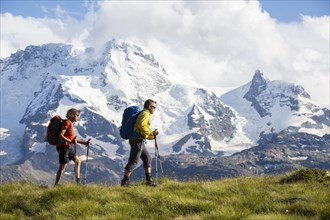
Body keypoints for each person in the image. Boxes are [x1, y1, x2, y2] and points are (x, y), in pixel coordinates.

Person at [121, 99, 159, 187]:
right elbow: (142, 126)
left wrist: (152, 135)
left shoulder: (143, 113)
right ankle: (124, 182)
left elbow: (142, 128)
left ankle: (148, 180)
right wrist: (151, 134)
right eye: (154, 107)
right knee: (133, 161)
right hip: (137, 140)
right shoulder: (146, 113)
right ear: (150, 107)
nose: (154, 109)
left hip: (137, 139)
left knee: (147, 158)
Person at [54, 108, 91, 186]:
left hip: (67, 146)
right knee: (63, 166)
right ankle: (56, 184)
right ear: (72, 115)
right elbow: (60, 135)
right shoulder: (67, 123)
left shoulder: (69, 123)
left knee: (78, 161)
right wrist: (70, 141)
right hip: (63, 147)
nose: (78, 117)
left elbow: (72, 139)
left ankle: (78, 182)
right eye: (77, 115)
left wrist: (85, 143)